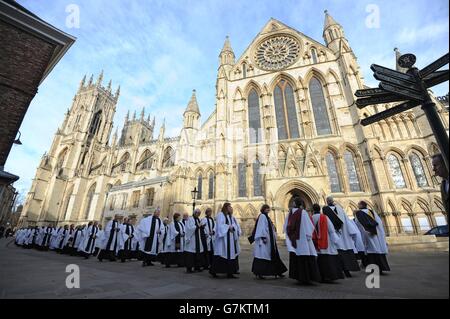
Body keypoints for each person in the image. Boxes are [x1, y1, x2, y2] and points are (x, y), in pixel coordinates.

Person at [284, 197, 320, 285]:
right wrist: (309, 236)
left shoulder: (290, 213)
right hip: (303, 240)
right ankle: (307, 278)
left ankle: (299, 277)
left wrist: (289, 236)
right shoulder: (303, 212)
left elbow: (286, 227)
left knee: (297, 257)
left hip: (295, 239)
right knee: (305, 258)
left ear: (294, 203)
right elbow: (308, 226)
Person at [322, 196, 360, 277]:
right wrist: (351, 231)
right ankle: (347, 271)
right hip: (344, 235)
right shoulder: (340, 209)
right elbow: (346, 220)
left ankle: (341, 271)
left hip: (334, 234)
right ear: (333, 201)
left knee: (337, 252)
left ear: (327, 202)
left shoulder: (326, 210)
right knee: (345, 251)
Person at [251, 204, 287, 279]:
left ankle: (278, 272)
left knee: (272, 255)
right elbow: (261, 227)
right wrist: (263, 237)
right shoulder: (262, 216)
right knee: (263, 256)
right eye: (267, 209)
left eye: (268, 209)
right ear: (263, 209)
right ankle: (260, 273)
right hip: (265, 240)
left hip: (270, 240)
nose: (268, 210)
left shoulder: (267, 217)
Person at [311, 204, 344, 283]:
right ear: (320, 209)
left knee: (319, 260)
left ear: (313, 210)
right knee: (328, 259)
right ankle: (330, 276)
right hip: (326, 241)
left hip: (315, 243)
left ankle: (320, 277)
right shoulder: (324, 217)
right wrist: (336, 241)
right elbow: (331, 230)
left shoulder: (311, 218)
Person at [355, 201, 390, 274]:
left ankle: (374, 270)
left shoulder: (359, 213)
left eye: (358, 204)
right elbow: (379, 222)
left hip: (367, 234)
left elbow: (358, 224)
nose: (358, 205)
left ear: (361, 205)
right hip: (376, 234)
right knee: (377, 250)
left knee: (371, 251)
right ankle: (380, 269)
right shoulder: (371, 211)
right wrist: (379, 233)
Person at [209, 203, 241, 279]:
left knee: (229, 256)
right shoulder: (221, 215)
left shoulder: (229, 216)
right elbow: (220, 226)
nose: (231, 208)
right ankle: (214, 271)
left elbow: (233, 225)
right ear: (226, 207)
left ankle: (229, 273)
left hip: (229, 239)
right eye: (230, 207)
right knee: (221, 255)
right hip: (223, 240)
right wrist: (228, 227)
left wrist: (233, 228)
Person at [184, 209, 208, 273]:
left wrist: (202, 226)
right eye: (198, 213)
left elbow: (199, 227)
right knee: (191, 254)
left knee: (198, 253)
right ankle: (189, 268)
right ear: (195, 213)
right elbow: (189, 228)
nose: (199, 214)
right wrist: (198, 226)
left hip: (198, 239)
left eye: (199, 213)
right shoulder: (190, 219)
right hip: (192, 239)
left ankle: (197, 267)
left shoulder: (198, 219)